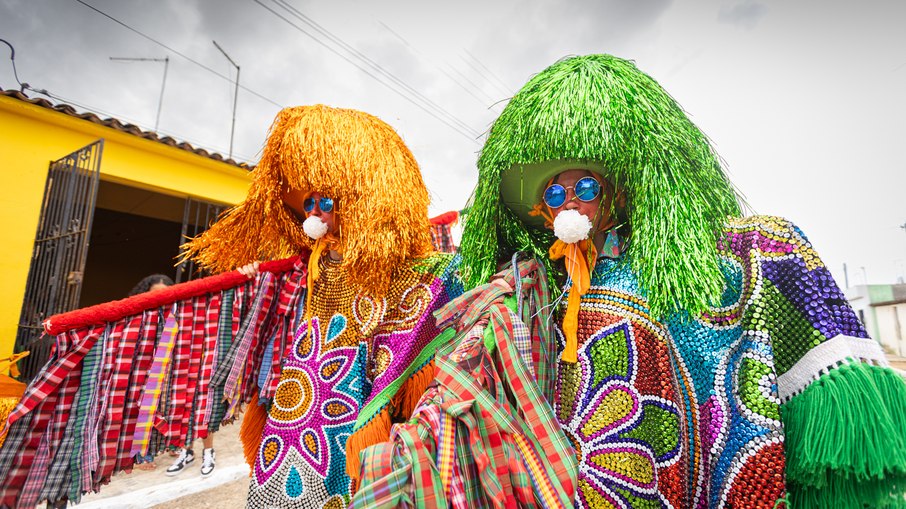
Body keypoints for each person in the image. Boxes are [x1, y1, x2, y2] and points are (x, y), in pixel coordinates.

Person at [352, 55, 906, 509]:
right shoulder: (531, 283)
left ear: (624, 183)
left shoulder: (712, 258)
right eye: (552, 191)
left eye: (584, 185)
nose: (568, 201)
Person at [181, 105, 462, 507]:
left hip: (360, 405)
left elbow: (439, 292)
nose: (313, 213)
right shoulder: (309, 260)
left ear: (361, 200)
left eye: (325, 201)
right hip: (301, 401)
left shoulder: (413, 266)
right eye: (308, 202)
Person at [126, 274, 175, 472]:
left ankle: (172, 443)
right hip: (139, 363)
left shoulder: (175, 315)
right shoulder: (135, 313)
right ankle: (142, 454)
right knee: (142, 406)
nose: (159, 299)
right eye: (154, 294)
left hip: (166, 363)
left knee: (168, 404)